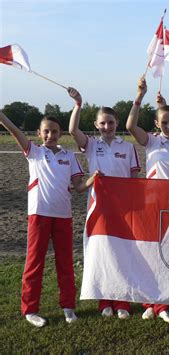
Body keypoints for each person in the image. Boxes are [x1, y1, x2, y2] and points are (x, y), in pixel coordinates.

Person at [0, 110, 97, 327]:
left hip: (63, 215)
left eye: (54, 132)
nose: (50, 135)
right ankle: (30, 310)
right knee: (35, 263)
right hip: (39, 214)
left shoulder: (69, 156)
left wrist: (91, 180)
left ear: (60, 133)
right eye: (46, 131)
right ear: (39, 133)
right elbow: (14, 130)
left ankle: (68, 307)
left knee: (65, 263)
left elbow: (79, 187)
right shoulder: (33, 151)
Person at [126, 77, 169, 323]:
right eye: (163, 122)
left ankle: (164, 301)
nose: (168, 125)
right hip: (153, 202)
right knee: (150, 253)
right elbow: (130, 125)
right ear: (156, 124)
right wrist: (139, 95)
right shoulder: (152, 140)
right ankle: (150, 301)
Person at [68, 87, 140, 319]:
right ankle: (105, 301)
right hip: (98, 207)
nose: (106, 127)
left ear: (117, 123)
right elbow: (72, 130)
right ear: (97, 125)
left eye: (110, 122)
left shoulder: (128, 147)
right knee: (101, 253)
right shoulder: (90, 145)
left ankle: (123, 302)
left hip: (123, 209)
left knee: (122, 253)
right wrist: (78, 105)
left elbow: (134, 181)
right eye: (102, 123)